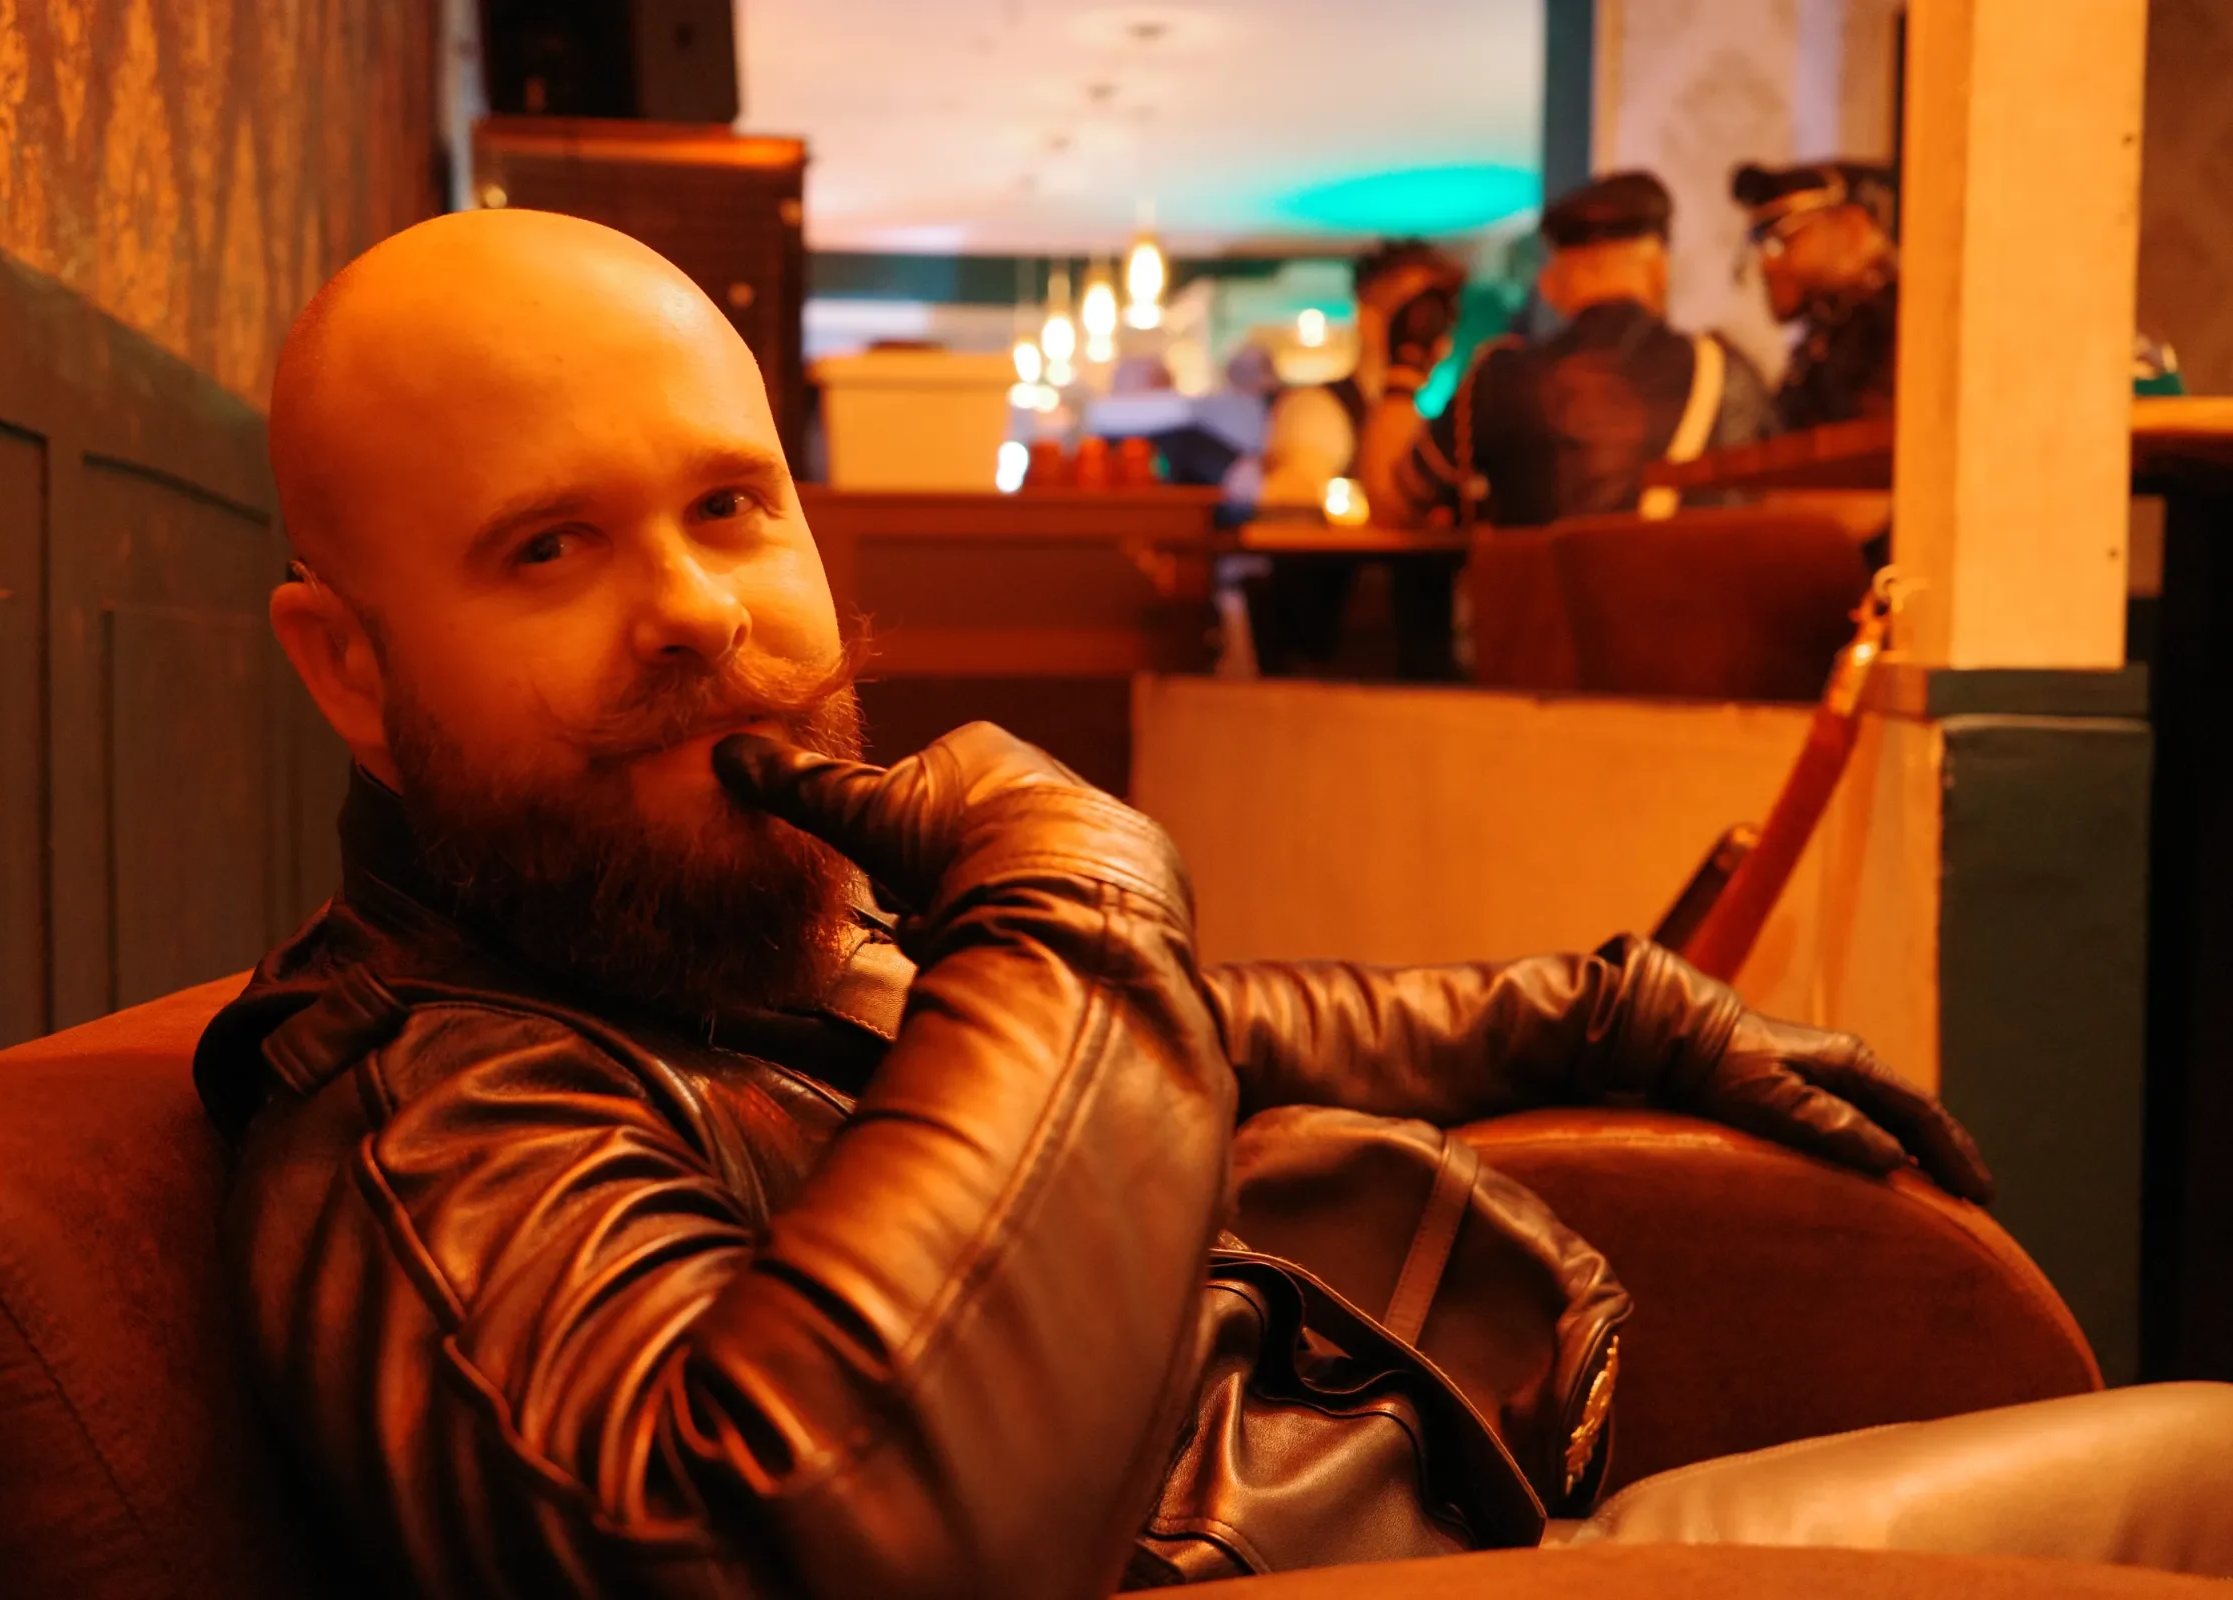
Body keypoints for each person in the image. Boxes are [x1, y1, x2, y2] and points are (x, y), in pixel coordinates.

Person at [197, 207, 2233, 1598]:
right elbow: (793, 1543)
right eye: (547, 549)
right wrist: (1069, 900)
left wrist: (1599, 1004)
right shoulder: (435, 1105)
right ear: (350, 668)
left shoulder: (688, 937)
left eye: (731, 506)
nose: (697, 614)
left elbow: (1174, 1043)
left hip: (1496, 1527)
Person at [1359, 171, 1775, 530]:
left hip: (1549, 603)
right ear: (1658, 268)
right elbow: (1779, 504)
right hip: (1695, 601)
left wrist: (1406, 365)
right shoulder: (1729, 371)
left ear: (1554, 282)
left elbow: (1393, 503)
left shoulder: (1502, 379)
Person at [1241, 241, 1466, 675]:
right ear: (1369, 319)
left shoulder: (1428, 429)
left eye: (1439, 318)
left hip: (1413, 666)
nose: (1429, 335)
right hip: (1336, 665)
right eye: (1416, 316)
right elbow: (1290, 510)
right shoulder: (1317, 410)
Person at [1731, 160, 1901, 430]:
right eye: (1760, 246)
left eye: (1781, 240)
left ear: (1854, 227)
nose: (1766, 264)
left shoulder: (1901, 328)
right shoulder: (1820, 343)